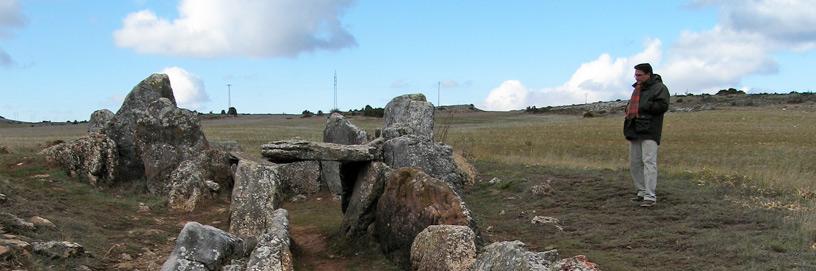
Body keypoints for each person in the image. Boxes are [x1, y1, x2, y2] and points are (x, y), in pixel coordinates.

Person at [624, 63, 670, 207]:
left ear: (648, 74)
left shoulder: (659, 88)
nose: (636, 77)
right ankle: (641, 191)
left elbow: (663, 106)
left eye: (639, 75)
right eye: (635, 74)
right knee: (635, 162)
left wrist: (644, 106)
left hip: (650, 130)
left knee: (649, 162)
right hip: (635, 129)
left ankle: (650, 196)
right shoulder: (637, 89)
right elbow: (631, 106)